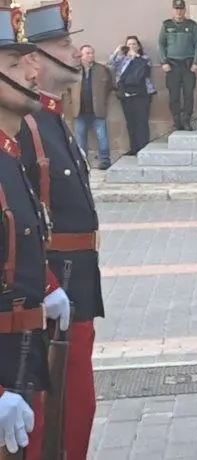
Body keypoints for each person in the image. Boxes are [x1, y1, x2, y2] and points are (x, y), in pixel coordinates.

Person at [19, 3, 102, 459]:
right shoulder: (27, 125)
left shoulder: (52, 120)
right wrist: (47, 287)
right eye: (64, 45)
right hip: (53, 287)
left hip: (76, 286)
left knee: (77, 407)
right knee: (53, 416)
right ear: (35, 60)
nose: (74, 53)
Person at [0, 5, 71, 458]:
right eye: (11, 65)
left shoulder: (9, 155)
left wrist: (47, 285)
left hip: (22, 353)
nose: (30, 72)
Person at [67, 44, 114, 169]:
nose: (91, 55)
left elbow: (109, 85)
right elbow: (68, 87)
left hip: (97, 109)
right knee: (80, 138)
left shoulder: (101, 69)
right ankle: (82, 162)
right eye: (87, 53)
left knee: (102, 136)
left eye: (92, 52)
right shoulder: (74, 69)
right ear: (81, 55)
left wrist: (103, 99)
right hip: (79, 110)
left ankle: (105, 160)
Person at [158, 0, 197, 131]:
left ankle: (187, 120)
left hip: (188, 65)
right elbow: (161, 45)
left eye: (181, 9)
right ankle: (177, 122)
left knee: (189, 94)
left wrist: (196, 62)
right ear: (173, 10)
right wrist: (163, 62)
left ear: (185, 10)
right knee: (174, 95)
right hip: (172, 65)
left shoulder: (192, 25)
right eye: (176, 9)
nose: (179, 11)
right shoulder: (166, 25)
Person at [107, 36, 155, 156]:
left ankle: (143, 147)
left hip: (141, 94)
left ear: (138, 46)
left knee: (141, 122)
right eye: (129, 44)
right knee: (131, 122)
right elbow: (110, 67)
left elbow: (147, 69)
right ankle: (134, 148)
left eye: (134, 44)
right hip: (126, 95)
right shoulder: (122, 59)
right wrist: (116, 52)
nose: (131, 47)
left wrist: (136, 56)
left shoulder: (144, 58)